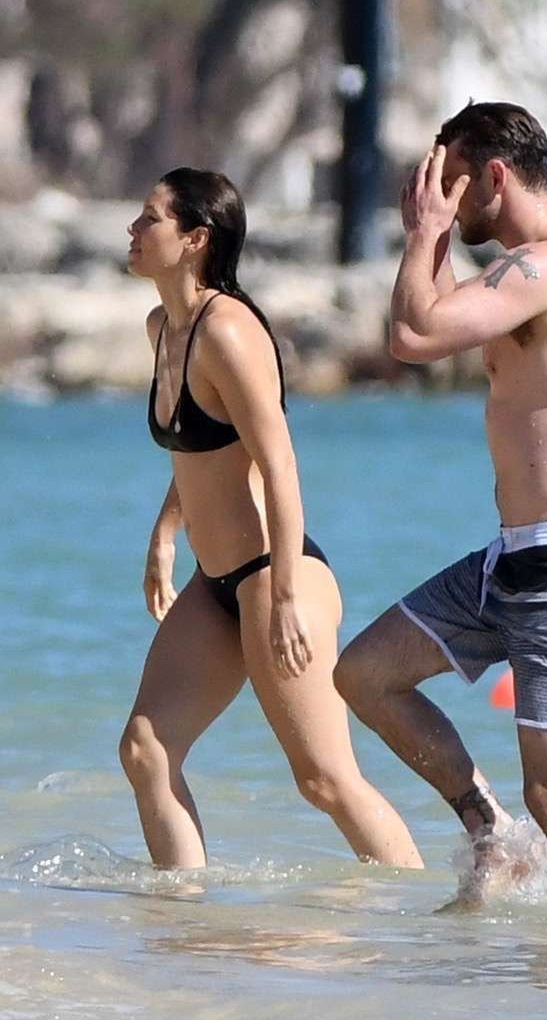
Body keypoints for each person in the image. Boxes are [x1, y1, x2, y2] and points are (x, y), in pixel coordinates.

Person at [334, 102, 547, 905]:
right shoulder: (520, 273)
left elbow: (412, 335)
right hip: (515, 560)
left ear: (496, 176)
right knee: (365, 675)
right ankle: (492, 834)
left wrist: (421, 234)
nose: (443, 197)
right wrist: (434, 236)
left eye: (454, 181)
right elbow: (435, 326)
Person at [120, 167, 423, 871]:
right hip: (215, 581)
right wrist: (165, 534)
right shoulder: (163, 328)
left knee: (325, 780)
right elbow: (201, 451)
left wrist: (284, 594)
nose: (133, 230)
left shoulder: (228, 331)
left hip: (272, 573)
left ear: (195, 239)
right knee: (146, 749)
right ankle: (184, 917)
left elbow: (279, 464)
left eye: (150, 218)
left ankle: (412, 915)